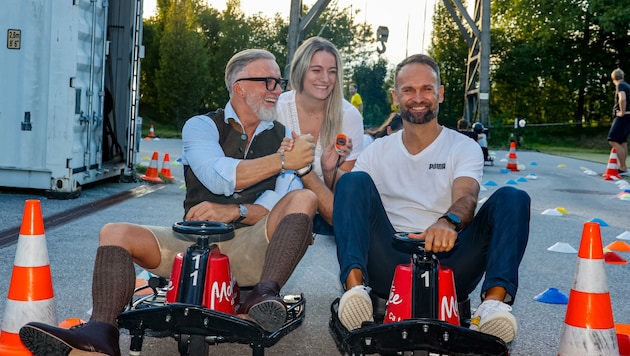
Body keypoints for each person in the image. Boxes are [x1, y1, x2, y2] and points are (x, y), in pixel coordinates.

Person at [19, 49, 318, 356]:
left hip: (254, 247)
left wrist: (236, 210)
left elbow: (275, 207)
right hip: (192, 243)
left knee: (305, 197)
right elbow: (218, 176)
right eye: (268, 82)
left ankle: (262, 298)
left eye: (278, 82)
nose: (278, 90)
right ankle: (101, 333)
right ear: (239, 86)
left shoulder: (284, 136)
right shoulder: (201, 126)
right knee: (115, 232)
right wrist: (283, 160)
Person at [328, 54, 530, 344]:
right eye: (408, 90)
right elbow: (350, 206)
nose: (418, 97)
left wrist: (448, 221)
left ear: (440, 93)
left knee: (513, 197)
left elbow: (467, 196)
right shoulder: (376, 151)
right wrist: (324, 171)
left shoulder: (463, 146)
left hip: (451, 259)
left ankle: (493, 306)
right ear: (395, 97)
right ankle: (355, 293)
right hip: (391, 258)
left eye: (426, 89)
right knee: (352, 181)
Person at [276, 36, 363, 233]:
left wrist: (328, 169)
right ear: (300, 70)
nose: (325, 79)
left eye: (332, 72)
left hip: (328, 218)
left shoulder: (349, 117)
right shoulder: (278, 110)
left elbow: (341, 208)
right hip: (278, 211)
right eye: (316, 70)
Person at [608, 68, 630, 175]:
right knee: (622, 141)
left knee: (613, 139)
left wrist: (622, 112)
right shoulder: (627, 85)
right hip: (629, 117)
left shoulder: (620, 85)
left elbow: (623, 98)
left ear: (613, 78)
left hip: (624, 116)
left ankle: (622, 167)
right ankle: (624, 166)